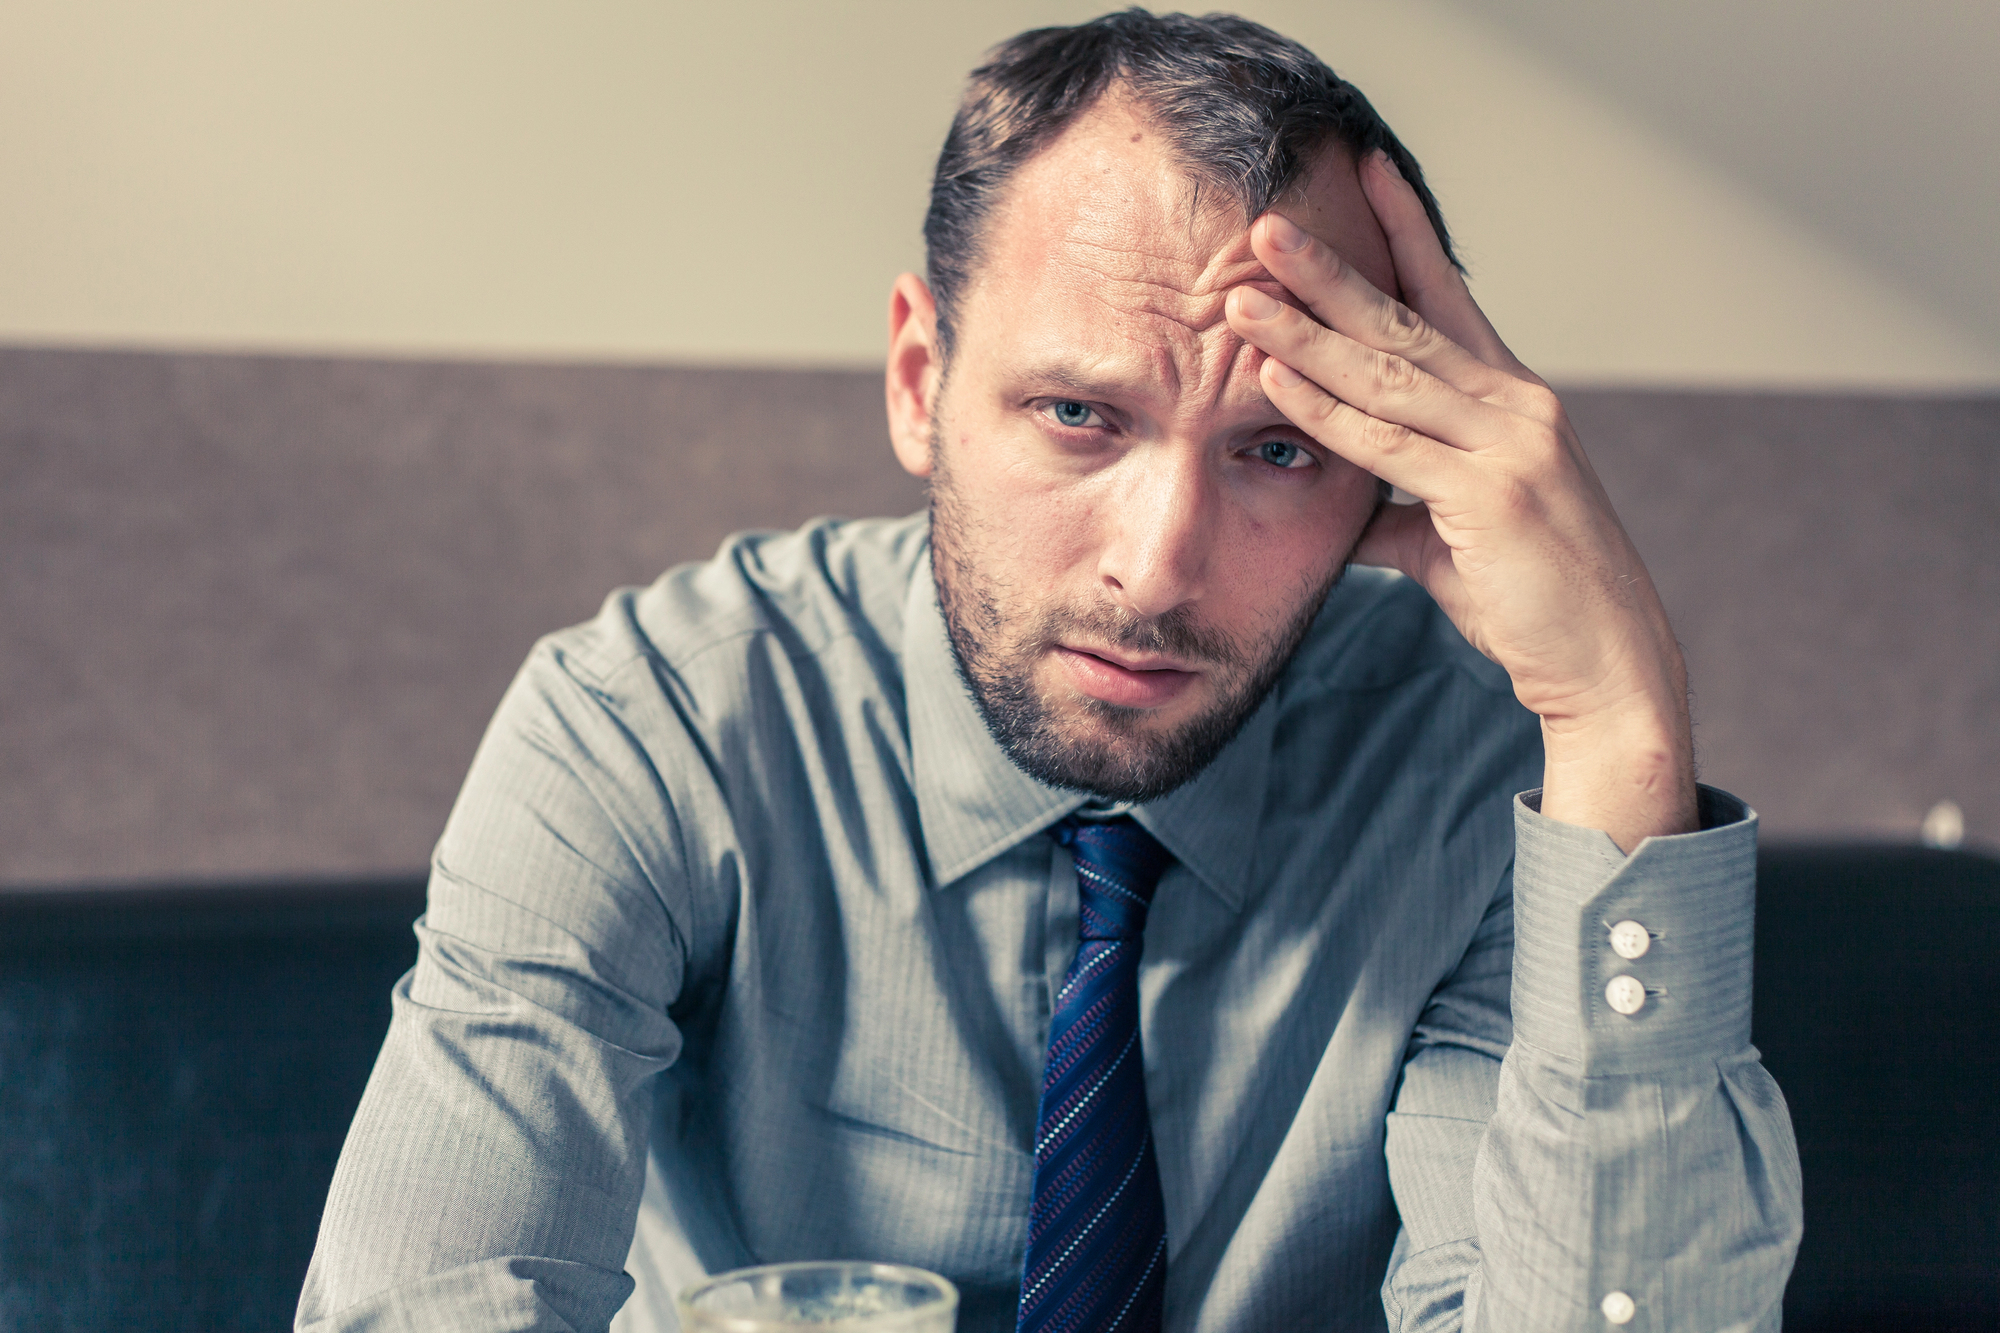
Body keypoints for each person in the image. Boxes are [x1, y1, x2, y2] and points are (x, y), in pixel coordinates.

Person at [298, 11, 1801, 1332]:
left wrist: (1617, 726)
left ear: (1385, 473)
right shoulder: (654, 728)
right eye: (1080, 415)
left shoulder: (1477, 783)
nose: (1155, 565)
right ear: (920, 382)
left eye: (1278, 450)